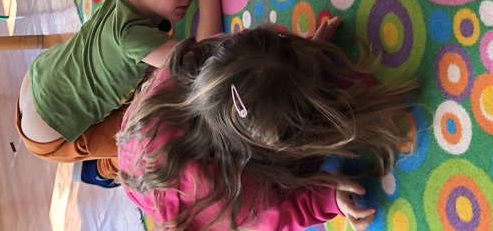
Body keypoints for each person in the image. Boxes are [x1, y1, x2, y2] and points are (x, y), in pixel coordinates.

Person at [116, 23, 420, 231]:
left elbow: (251, 54)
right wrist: (327, 199)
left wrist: (303, 51)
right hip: (165, 186)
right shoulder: (236, 201)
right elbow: (282, 215)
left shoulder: (192, 61)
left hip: (141, 148)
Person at [16, 0, 223, 181]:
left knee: (153, 92)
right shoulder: (132, 38)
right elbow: (204, 65)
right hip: (52, 133)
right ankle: (99, 171)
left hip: (40, 76)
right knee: (149, 141)